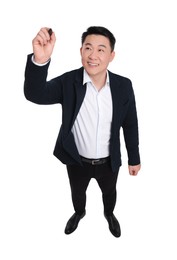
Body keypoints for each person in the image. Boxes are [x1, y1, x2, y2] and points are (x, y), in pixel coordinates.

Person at [24, 26, 141, 238]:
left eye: (100, 49)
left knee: (110, 193)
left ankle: (109, 214)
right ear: (81, 52)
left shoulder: (124, 86)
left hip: (109, 162)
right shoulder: (69, 82)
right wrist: (39, 61)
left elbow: (130, 123)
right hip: (76, 161)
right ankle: (79, 213)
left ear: (111, 56)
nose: (93, 55)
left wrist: (134, 158)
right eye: (88, 48)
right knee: (77, 194)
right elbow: (35, 94)